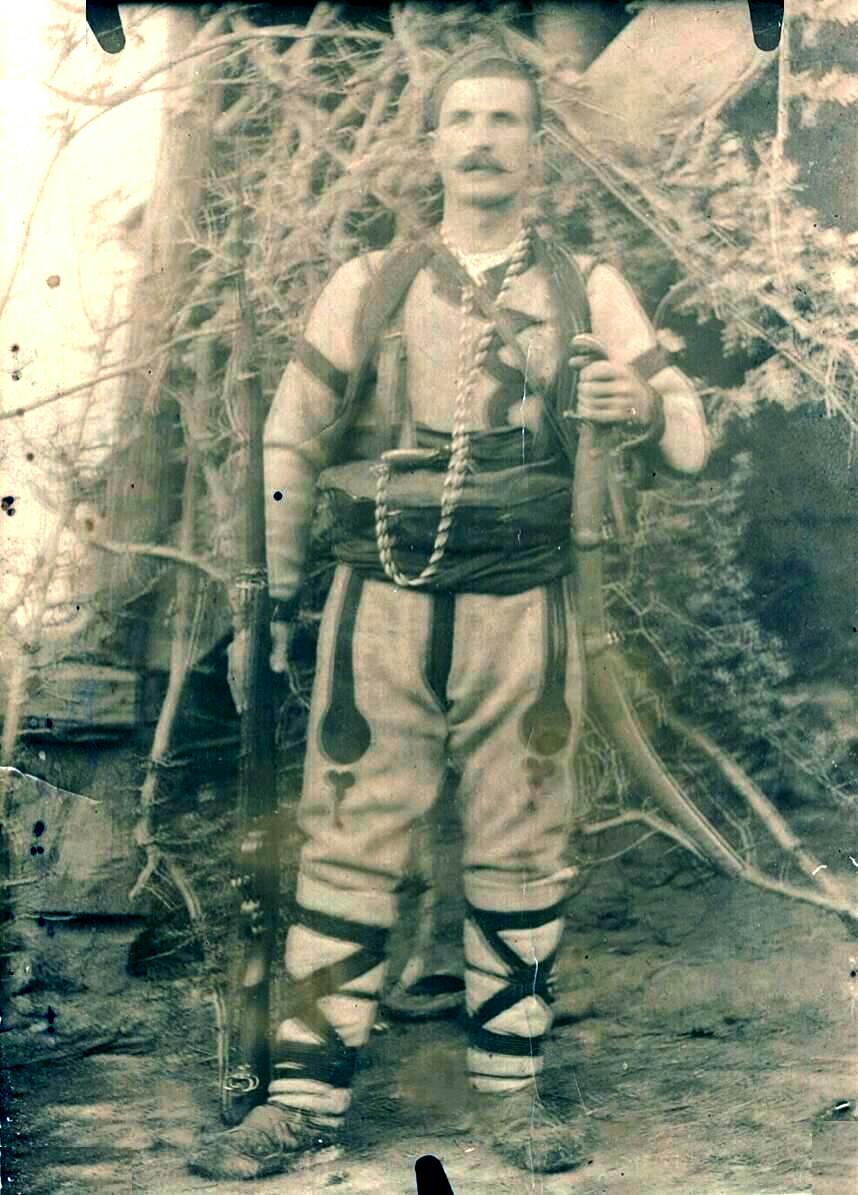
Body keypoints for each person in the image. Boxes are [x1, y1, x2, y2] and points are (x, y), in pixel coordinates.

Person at [190, 42, 708, 1181]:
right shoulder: (369, 284)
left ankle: (513, 1095)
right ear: (432, 146)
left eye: (505, 120)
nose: (482, 140)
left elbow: (688, 433)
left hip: (526, 610)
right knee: (346, 840)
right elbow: (289, 442)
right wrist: (273, 601)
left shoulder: (588, 286)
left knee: (524, 843)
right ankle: (304, 1100)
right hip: (376, 612)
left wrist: (634, 403)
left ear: (537, 147)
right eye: (463, 120)